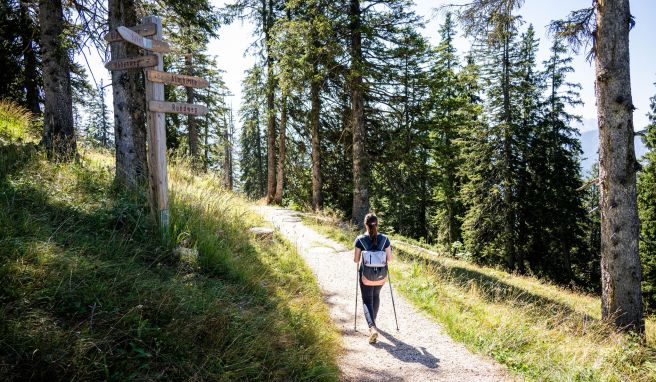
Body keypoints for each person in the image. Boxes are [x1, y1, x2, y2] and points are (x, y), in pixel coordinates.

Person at [353, 213, 392, 344]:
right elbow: (390, 259)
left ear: (365, 224)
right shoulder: (385, 239)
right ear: (377, 224)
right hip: (381, 275)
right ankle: (373, 323)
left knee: (367, 300)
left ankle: (372, 327)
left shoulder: (360, 239)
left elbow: (356, 260)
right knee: (376, 296)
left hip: (366, 276)